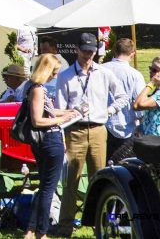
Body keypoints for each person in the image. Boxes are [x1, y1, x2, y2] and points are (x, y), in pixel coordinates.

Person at [54, 32, 129, 238]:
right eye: (84, 51)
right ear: (77, 50)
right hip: (74, 130)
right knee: (71, 180)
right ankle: (65, 226)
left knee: (101, 178)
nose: (88, 55)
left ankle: (102, 225)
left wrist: (110, 111)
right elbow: (59, 108)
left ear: (96, 51)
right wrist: (70, 117)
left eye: (91, 51)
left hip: (98, 130)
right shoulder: (65, 75)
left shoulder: (104, 73)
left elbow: (123, 96)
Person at [24, 54, 78, 239]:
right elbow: (37, 120)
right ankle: (42, 232)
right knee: (49, 188)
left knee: (45, 187)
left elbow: (46, 110)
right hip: (49, 140)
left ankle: (31, 231)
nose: (55, 75)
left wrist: (69, 112)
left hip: (42, 142)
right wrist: (62, 119)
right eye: (54, 71)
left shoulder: (32, 87)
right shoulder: (38, 89)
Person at [102, 38, 145, 162]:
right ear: (133, 54)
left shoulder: (100, 69)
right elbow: (139, 102)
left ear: (114, 51)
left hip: (102, 122)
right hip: (127, 124)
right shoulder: (134, 75)